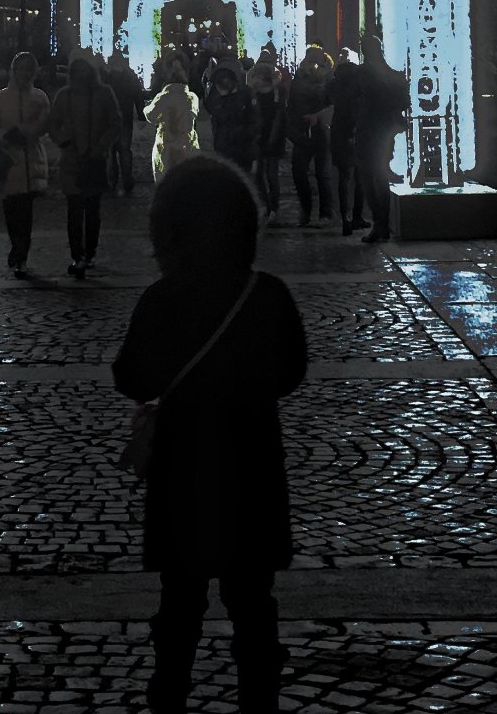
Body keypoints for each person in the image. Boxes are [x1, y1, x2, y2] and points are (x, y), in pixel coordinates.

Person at [113, 157, 307, 714]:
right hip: (253, 468)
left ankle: (169, 696)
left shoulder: (163, 298)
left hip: (184, 475)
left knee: (180, 606)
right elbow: (292, 371)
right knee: (253, 606)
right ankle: (259, 700)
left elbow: (130, 375)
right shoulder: (265, 294)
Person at [50, 49, 120, 279]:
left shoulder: (104, 93)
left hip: (94, 160)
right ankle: (77, 254)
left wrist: (101, 145)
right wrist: (63, 140)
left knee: (91, 210)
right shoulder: (64, 95)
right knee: (74, 210)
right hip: (72, 160)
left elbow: (115, 122)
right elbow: (53, 123)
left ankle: (89, 252)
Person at [0, 51, 50, 278]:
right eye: (21, 68)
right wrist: (3, 136)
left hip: (30, 160)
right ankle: (17, 247)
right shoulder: (0, 98)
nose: (25, 73)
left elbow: (44, 124)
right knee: (12, 212)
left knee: (25, 212)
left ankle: (22, 254)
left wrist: (26, 132)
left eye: (29, 69)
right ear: (14, 70)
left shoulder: (39, 97)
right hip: (9, 161)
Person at [354, 34, 411, 244]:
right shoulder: (393, 75)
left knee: (369, 178)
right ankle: (382, 224)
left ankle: (380, 224)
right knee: (380, 176)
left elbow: (353, 100)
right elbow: (404, 101)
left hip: (368, 129)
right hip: (386, 131)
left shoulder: (362, 73)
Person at [286, 46, 334, 226]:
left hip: (321, 130)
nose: (308, 65)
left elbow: (333, 106)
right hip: (301, 131)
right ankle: (305, 210)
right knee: (298, 173)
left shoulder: (328, 80)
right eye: (307, 61)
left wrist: (318, 116)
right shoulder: (299, 78)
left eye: (313, 62)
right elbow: (291, 103)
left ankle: (326, 214)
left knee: (323, 174)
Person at [328, 49, 366, 236]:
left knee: (344, 178)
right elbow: (357, 111)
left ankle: (346, 218)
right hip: (355, 134)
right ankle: (356, 216)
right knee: (359, 177)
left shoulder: (335, 86)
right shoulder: (358, 88)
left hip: (338, 133)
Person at [144, 66, 200, 184]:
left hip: (167, 145)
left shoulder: (163, 97)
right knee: (186, 179)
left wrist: (146, 107)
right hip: (188, 143)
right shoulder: (192, 97)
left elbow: (151, 116)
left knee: (166, 179)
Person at [246, 59, 286, 223]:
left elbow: (278, 116)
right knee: (260, 174)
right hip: (261, 136)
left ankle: (273, 208)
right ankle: (268, 206)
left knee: (269, 174)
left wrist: (272, 137)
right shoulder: (255, 92)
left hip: (271, 136)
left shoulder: (276, 92)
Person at [104, 50, 145, 194]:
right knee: (125, 150)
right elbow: (138, 95)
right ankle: (127, 179)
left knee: (110, 151)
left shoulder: (106, 76)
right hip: (125, 116)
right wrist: (141, 114)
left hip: (108, 119)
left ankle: (111, 180)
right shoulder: (130, 76)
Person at [205, 63, 256, 175]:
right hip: (224, 146)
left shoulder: (245, 94)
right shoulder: (218, 96)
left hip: (242, 146)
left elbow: (252, 119)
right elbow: (215, 115)